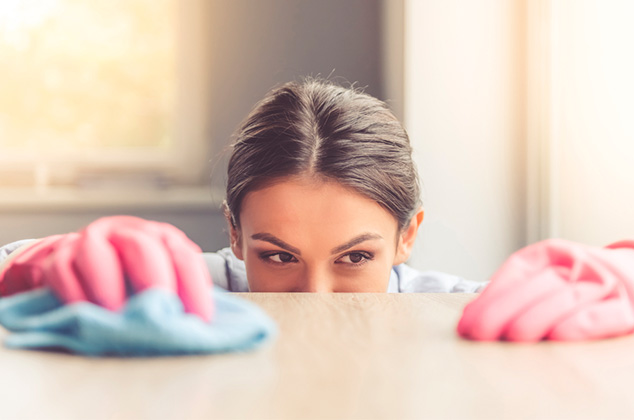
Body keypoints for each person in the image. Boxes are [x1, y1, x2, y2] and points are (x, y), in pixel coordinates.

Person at [0, 78, 485, 312]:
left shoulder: (450, 312)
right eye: (277, 256)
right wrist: (37, 264)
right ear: (235, 232)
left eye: (355, 258)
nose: (313, 298)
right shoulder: (191, 286)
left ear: (407, 236)